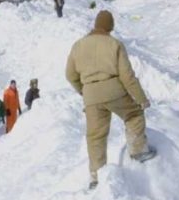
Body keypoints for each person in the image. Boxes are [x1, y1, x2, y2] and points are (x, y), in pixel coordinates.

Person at [66, 10, 155, 190]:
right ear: (110, 26)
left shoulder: (78, 45)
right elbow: (127, 75)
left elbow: (70, 75)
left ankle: (96, 176)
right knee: (133, 115)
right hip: (114, 90)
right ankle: (138, 151)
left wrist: (84, 91)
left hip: (91, 95)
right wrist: (141, 99)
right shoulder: (114, 44)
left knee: (95, 136)